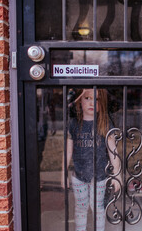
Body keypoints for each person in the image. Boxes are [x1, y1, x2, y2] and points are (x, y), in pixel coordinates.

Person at [61, 89, 121, 231]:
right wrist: (63, 173)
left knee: (98, 208)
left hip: (100, 176)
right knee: (81, 208)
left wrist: (117, 174)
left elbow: (113, 152)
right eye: (87, 98)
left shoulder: (105, 124)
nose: (91, 102)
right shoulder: (73, 124)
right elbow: (68, 151)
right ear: (79, 101)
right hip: (79, 176)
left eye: (96, 99)